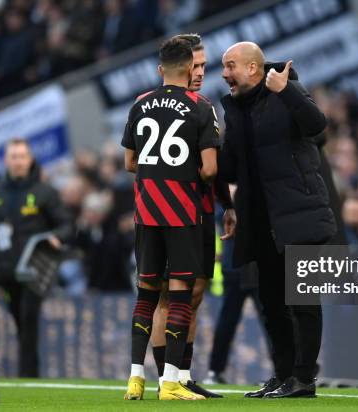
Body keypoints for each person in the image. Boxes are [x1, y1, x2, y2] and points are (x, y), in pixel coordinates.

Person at [218, 42, 337, 398]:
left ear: (253, 68)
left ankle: (304, 378)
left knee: (302, 301)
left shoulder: (287, 88)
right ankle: (285, 375)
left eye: (230, 66)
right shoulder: (235, 110)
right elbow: (228, 166)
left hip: (298, 213)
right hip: (261, 219)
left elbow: (317, 125)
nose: (224, 74)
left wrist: (286, 92)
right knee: (271, 303)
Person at [122, 37, 219, 401]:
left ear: (161, 69)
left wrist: (156, 172)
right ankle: (171, 383)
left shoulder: (140, 103)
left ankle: (135, 377)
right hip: (182, 213)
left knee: (146, 294)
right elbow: (209, 170)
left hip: (145, 213)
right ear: (189, 68)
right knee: (180, 296)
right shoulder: (201, 106)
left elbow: (129, 163)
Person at [148, 33, 230, 399]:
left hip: (200, 211)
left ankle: (182, 375)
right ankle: (169, 378)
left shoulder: (202, 106)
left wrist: (225, 205)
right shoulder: (161, 106)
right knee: (170, 296)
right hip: (172, 213)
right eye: (194, 65)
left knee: (194, 293)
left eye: (203, 66)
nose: (198, 72)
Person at [0, 138, 72, 377]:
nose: (18, 161)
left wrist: (57, 236)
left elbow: (67, 225)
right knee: (19, 320)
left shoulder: (45, 192)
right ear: (6, 160)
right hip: (6, 271)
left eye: (22, 156)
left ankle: (27, 376)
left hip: (36, 269)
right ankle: (30, 372)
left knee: (28, 316)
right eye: (14, 156)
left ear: (30, 159)